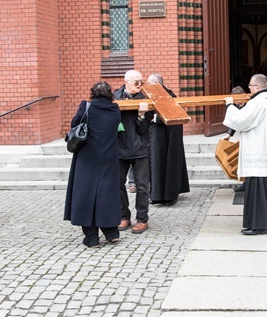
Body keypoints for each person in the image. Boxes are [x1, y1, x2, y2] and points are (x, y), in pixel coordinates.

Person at [223, 74, 267, 235]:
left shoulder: (257, 103)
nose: (249, 87)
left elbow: (241, 121)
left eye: (250, 85)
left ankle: (259, 225)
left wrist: (230, 106)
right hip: (265, 153)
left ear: (257, 87)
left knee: (257, 190)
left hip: (257, 153)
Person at [64, 81, 121, 247]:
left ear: (93, 93)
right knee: (107, 194)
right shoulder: (115, 110)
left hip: (87, 157)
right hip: (109, 157)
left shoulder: (86, 106)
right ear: (110, 94)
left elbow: (75, 124)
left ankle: (92, 237)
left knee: (86, 195)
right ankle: (112, 232)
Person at [113, 70, 154, 234]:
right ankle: (124, 216)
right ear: (126, 82)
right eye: (136, 82)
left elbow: (143, 130)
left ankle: (142, 219)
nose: (139, 84)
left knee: (142, 186)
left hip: (139, 148)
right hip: (119, 147)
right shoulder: (115, 96)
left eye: (141, 81)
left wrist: (142, 115)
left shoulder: (145, 99)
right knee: (117, 184)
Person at [146, 73, 190, 206]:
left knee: (167, 164)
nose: (147, 86)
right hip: (155, 136)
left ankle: (169, 195)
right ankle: (156, 195)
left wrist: (154, 119)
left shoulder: (170, 96)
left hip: (168, 138)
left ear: (158, 84)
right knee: (155, 165)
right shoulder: (149, 95)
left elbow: (174, 115)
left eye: (150, 83)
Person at [223, 86, 248, 193]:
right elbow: (235, 121)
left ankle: (248, 184)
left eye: (240, 100)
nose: (238, 103)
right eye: (236, 101)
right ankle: (245, 183)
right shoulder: (237, 106)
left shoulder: (251, 105)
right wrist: (229, 135)